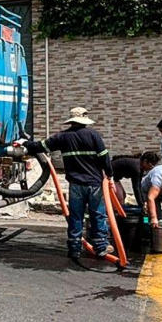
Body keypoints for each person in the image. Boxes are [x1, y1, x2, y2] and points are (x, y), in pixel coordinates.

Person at [22, 107, 114, 259]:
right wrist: (109, 174)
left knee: (75, 217)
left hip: (76, 185)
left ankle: (74, 249)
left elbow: (40, 147)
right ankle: (101, 247)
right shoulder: (93, 135)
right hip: (95, 184)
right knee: (97, 215)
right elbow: (104, 157)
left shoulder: (63, 137)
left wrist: (25, 143)